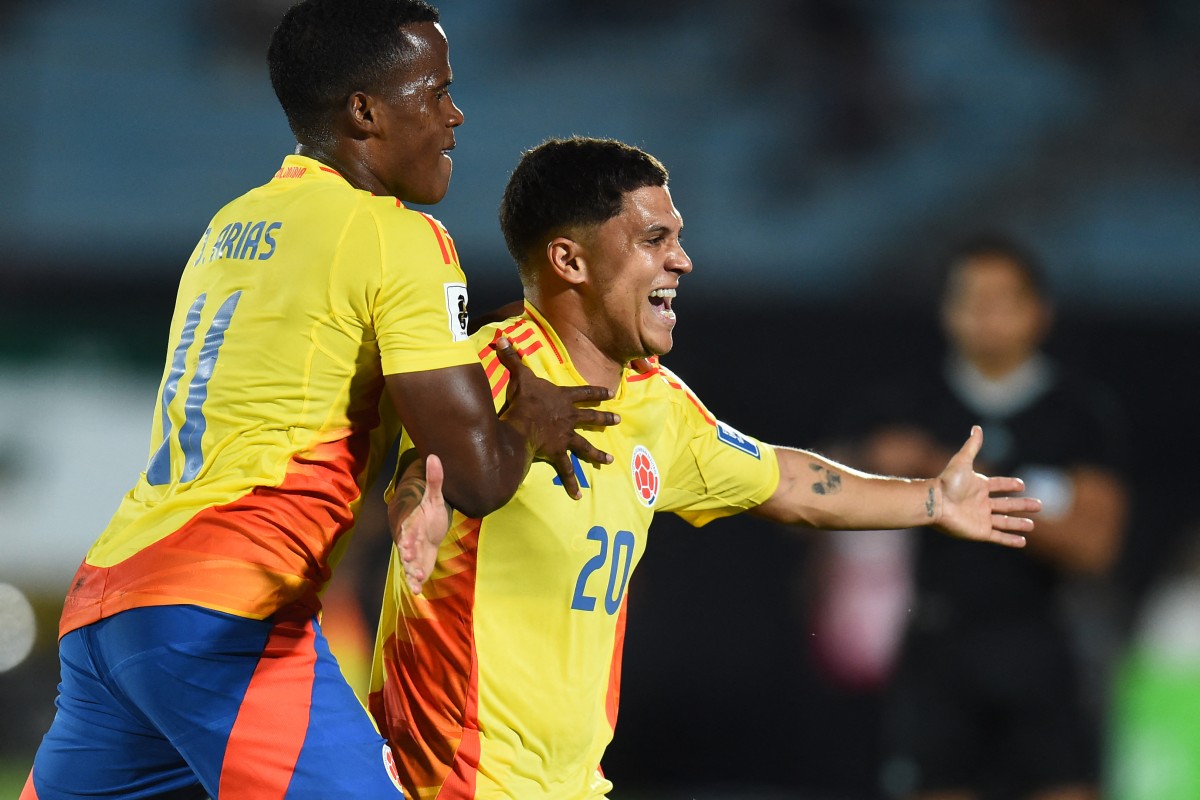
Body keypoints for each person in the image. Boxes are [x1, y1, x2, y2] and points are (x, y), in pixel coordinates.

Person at [21, 3, 619, 799]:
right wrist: (528, 422)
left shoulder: (231, 225)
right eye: (434, 91)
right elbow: (477, 477)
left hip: (111, 605)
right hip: (226, 615)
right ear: (365, 111)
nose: (454, 113)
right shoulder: (396, 237)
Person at [365, 136, 1041, 800]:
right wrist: (414, 510)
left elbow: (787, 481)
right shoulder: (492, 367)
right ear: (569, 259)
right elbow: (424, 475)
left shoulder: (658, 404)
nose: (682, 262)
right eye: (653, 240)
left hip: (570, 786)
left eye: (677, 239)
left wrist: (933, 501)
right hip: (450, 778)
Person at [838, 236, 1129, 800]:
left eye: (1002, 299)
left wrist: (960, 486)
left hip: (1039, 642)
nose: (985, 315)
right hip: (938, 643)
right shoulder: (906, 403)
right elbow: (823, 489)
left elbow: (1097, 547)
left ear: (1038, 310)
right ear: (947, 310)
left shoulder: (1078, 415)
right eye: (970, 298)